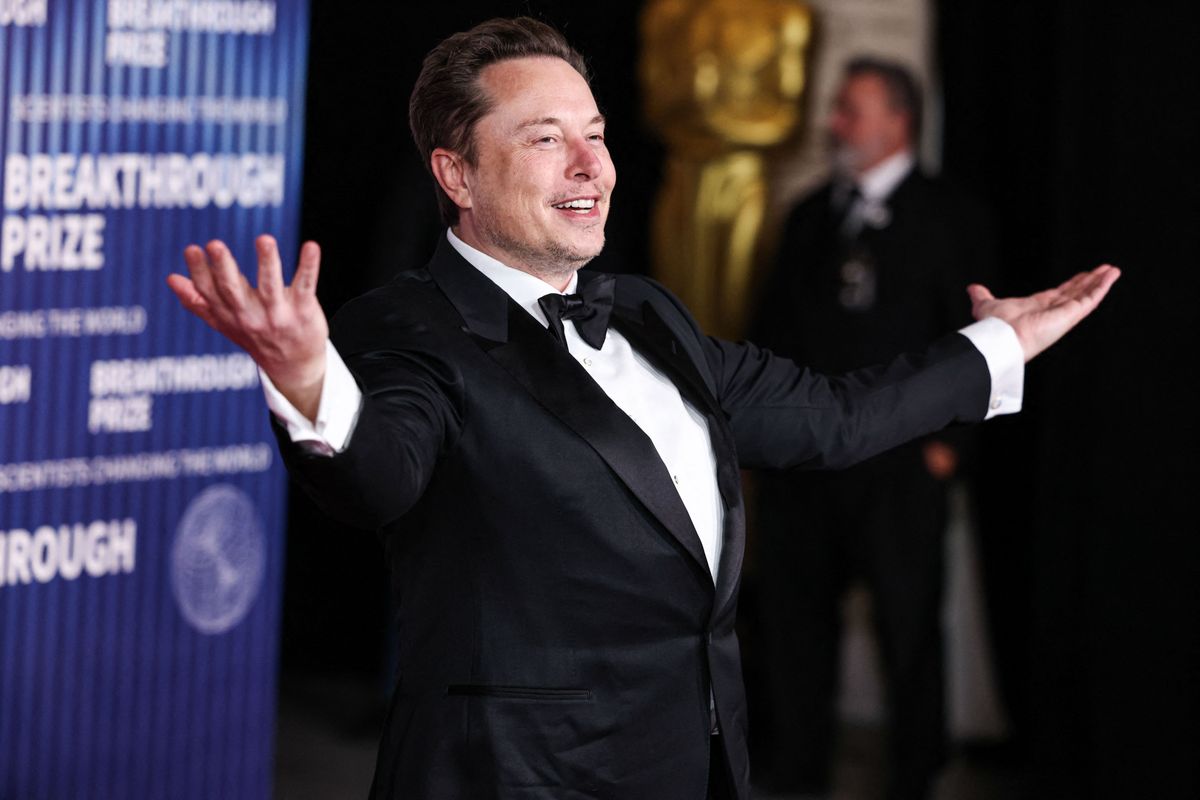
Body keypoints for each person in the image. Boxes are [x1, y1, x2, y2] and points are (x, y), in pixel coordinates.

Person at [166, 18, 1118, 800]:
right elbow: (380, 473)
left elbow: (832, 417)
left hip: (695, 767)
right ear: (456, 175)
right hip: (515, 779)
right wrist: (304, 378)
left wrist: (1000, 345)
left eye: (597, 133)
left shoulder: (650, 311)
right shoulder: (404, 330)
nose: (591, 165)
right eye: (545, 139)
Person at [749, 58, 997, 799]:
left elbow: (984, 341)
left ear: (900, 120)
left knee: (910, 632)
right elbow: (769, 334)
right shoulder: (808, 219)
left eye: (850, 110)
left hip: (902, 472)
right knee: (793, 635)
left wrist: (950, 451)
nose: (833, 124)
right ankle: (794, 775)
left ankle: (917, 779)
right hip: (805, 471)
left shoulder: (954, 217)